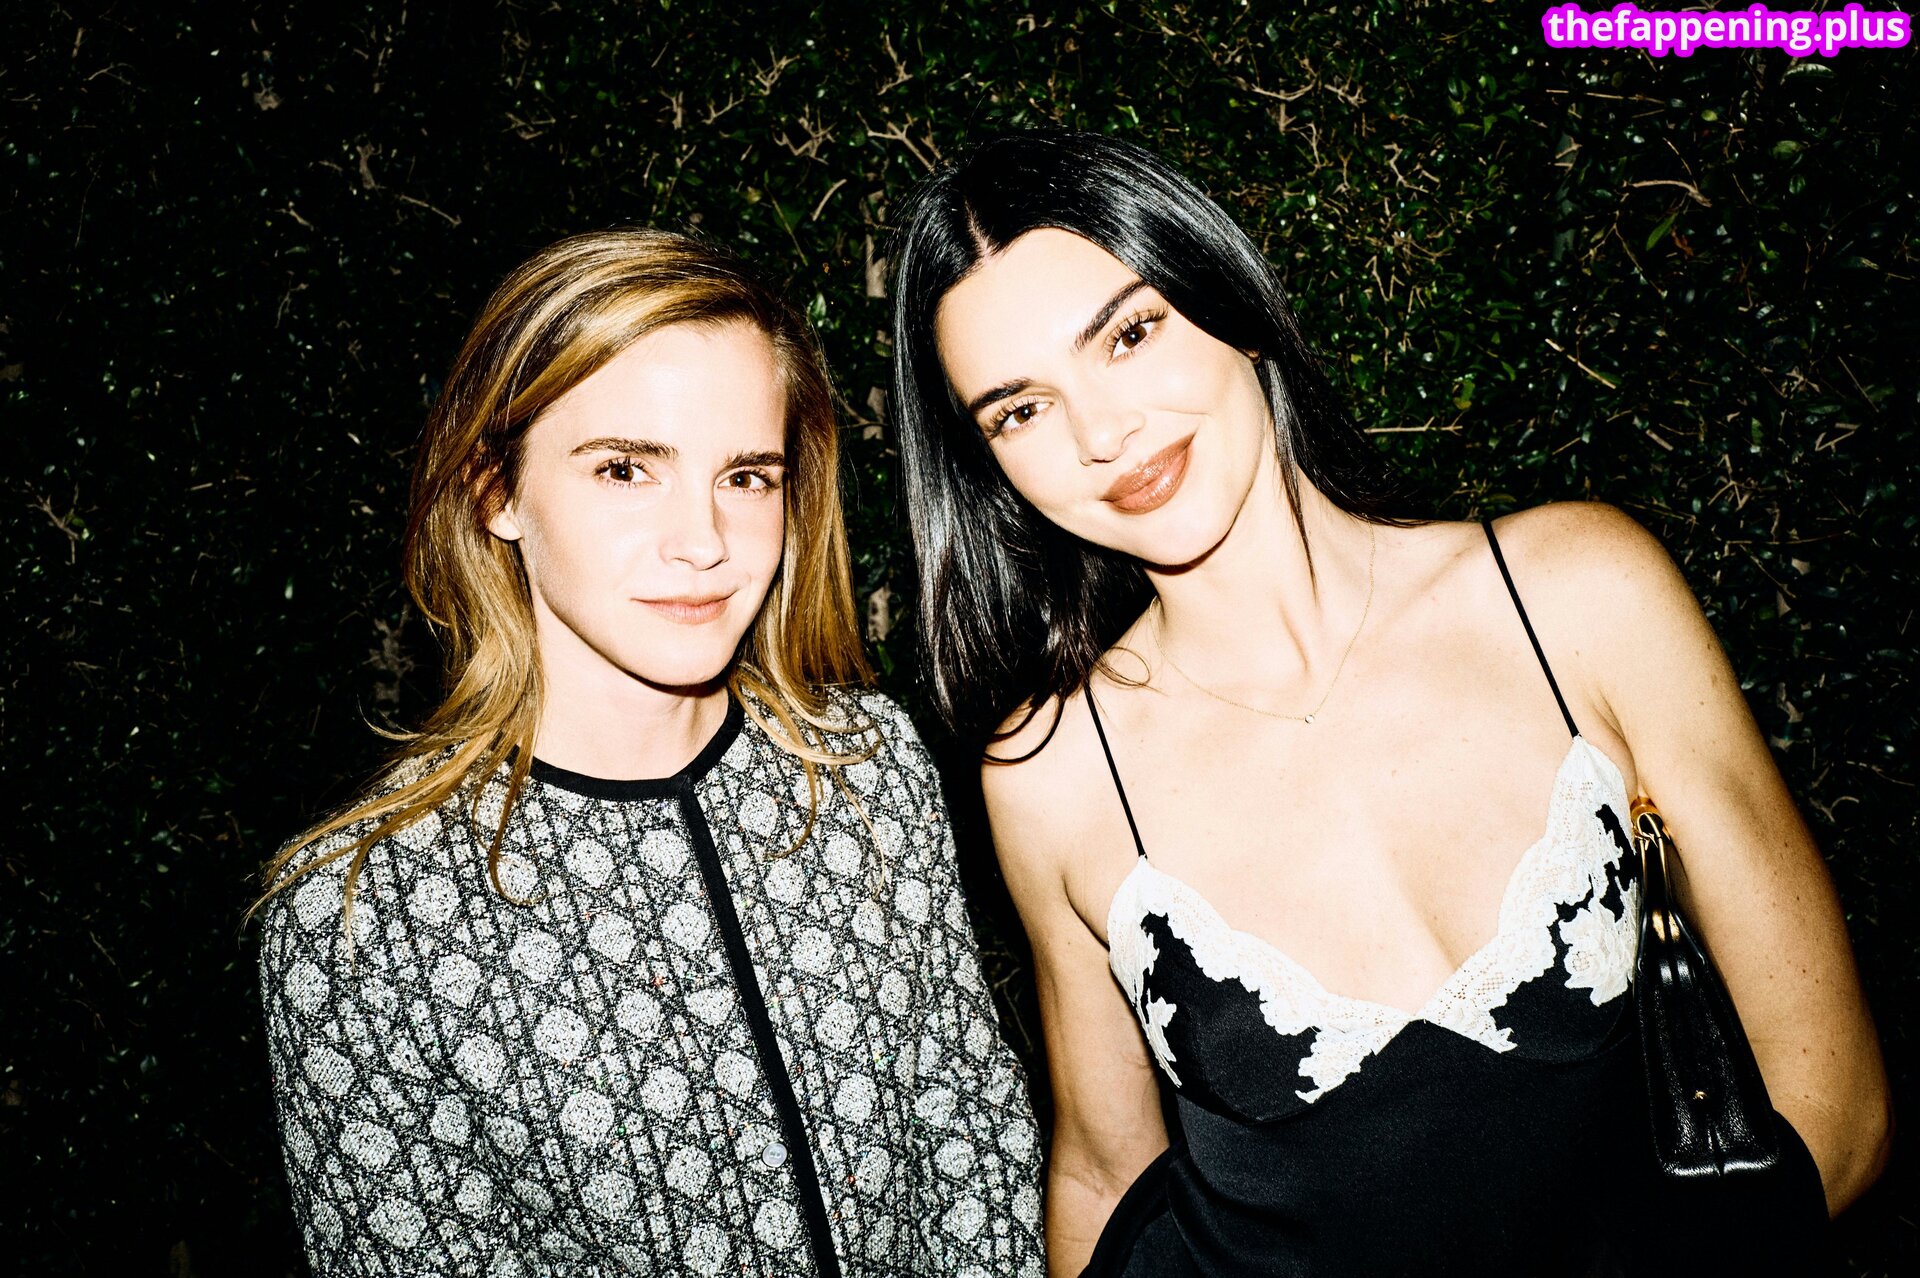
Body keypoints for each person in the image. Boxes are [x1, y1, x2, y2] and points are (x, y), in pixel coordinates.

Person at [888, 130, 1890, 1276]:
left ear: (1230, 302)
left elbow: (1833, 1088)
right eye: (1018, 410)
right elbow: (1103, 1175)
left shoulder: (1575, 598)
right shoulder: (1053, 768)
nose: (1101, 435)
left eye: (1130, 333)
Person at [253, 229, 1045, 1277]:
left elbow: (974, 1149)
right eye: (627, 469)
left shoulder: (868, 768)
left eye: (747, 477)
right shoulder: (360, 921)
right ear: (496, 490)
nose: (704, 541)